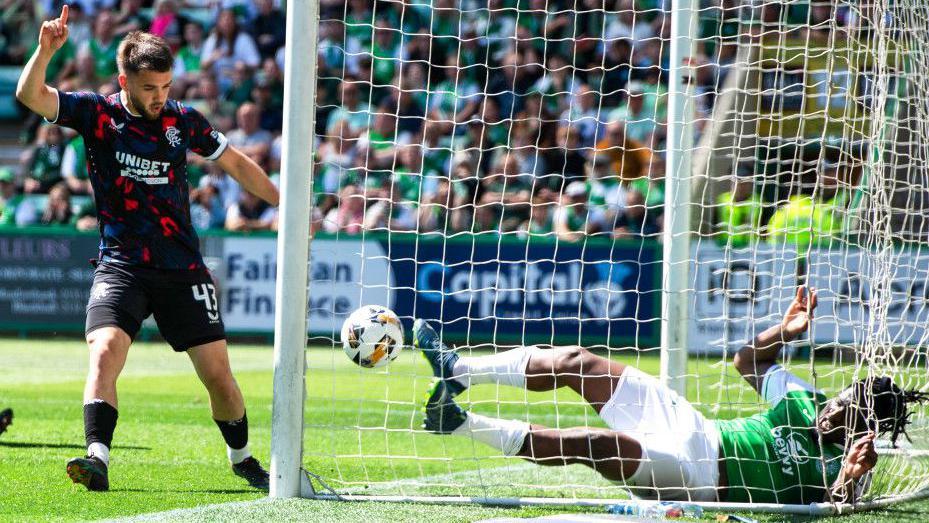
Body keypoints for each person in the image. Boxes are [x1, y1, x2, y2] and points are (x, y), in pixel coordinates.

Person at [15, 7, 279, 492]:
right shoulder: (97, 113)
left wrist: (287, 203)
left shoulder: (184, 120)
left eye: (166, 86)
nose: (160, 96)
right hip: (122, 264)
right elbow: (30, 95)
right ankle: (97, 458)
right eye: (150, 88)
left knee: (218, 376)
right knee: (104, 351)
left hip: (181, 266)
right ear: (124, 81)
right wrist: (45, 51)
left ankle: (243, 459)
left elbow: (237, 165)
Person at [416, 286, 927, 504]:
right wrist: (784, 331)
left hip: (697, 477)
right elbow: (748, 362)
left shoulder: (851, 462)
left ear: (863, 429)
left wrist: (848, 478)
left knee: (596, 444)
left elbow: (832, 510)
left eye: (844, 413)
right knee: (577, 361)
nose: (831, 410)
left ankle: (458, 423)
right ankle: (458, 368)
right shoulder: (803, 400)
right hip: (694, 426)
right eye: (838, 398)